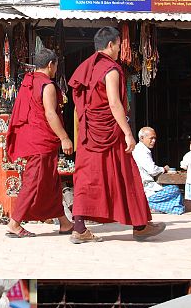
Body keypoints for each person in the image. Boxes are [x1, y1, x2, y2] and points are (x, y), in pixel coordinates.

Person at [67, 28, 166, 244]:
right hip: (110, 131)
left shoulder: (86, 67)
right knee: (127, 174)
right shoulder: (110, 69)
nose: (120, 49)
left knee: (86, 177)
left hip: (89, 132)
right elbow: (114, 103)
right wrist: (128, 133)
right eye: (119, 45)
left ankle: (80, 227)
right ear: (111, 45)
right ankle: (140, 226)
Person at [4, 48, 73, 237]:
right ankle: (14, 223)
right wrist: (64, 137)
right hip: (40, 141)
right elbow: (50, 114)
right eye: (56, 66)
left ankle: (65, 222)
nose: (56, 69)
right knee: (33, 182)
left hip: (34, 139)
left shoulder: (30, 82)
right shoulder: (47, 86)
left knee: (50, 182)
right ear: (51, 65)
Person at [132, 127, 185, 215]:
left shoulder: (142, 150)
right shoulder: (141, 151)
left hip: (149, 186)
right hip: (146, 188)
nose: (153, 141)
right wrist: (163, 169)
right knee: (174, 190)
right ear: (142, 138)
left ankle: (162, 207)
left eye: (154, 138)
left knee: (175, 192)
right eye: (151, 138)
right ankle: (149, 204)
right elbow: (152, 170)